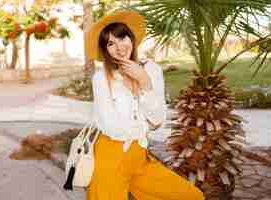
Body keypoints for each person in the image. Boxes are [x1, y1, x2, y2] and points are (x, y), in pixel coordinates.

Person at [85, 10, 205, 200]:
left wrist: (144, 82)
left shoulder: (151, 70)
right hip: (110, 157)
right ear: (105, 49)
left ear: (131, 38)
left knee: (190, 196)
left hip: (139, 156)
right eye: (110, 43)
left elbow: (158, 119)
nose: (119, 47)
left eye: (122, 37)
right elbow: (111, 127)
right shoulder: (101, 78)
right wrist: (145, 126)